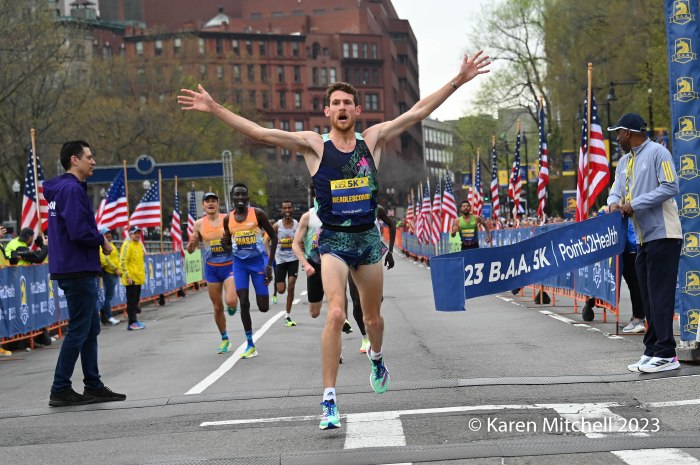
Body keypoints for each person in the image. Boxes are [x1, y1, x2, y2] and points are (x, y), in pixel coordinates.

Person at [178, 50, 490, 430]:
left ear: (357, 110)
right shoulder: (315, 145)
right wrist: (214, 108)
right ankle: (329, 399)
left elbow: (417, 112)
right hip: (334, 242)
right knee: (337, 313)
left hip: (367, 241)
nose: (342, 108)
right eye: (335, 103)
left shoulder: (372, 139)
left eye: (347, 103)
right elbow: (261, 133)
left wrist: (458, 80)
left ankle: (377, 357)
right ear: (327, 112)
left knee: (372, 319)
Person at [43, 140, 126, 406]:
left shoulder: (64, 189)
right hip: (76, 268)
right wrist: (102, 241)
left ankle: (93, 385)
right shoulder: (70, 189)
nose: (94, 161)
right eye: (89, 157)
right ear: (74, 160)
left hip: (74, 266)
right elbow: (79, 231)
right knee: (79, 329)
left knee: (90, 328)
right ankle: (60, 388)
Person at [607, 113, 682, 373]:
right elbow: (616, 190)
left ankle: (667, 354)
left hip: (664, 234)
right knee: (648, 299)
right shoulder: (624, 161)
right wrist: (613, 204)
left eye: (618, 133)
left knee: (660, 297)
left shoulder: (658, 153)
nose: (617, 138)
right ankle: (652, 350)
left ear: (628, 132)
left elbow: (671, 186)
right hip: (642, 237)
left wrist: (634, 204)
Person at [222, 183, 277, 359]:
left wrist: (269, 265)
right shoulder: (227, 219)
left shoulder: (258, 214)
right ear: (232, 197)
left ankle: (251, 342)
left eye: (243, 194)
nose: (240, 198)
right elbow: (228, 243)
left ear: (247, 197)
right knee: (244, 302)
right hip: (239, 265)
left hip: (257, 263)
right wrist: (226, 245)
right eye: (236, 195)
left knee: (263, 307)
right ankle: (250, 344)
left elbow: (274, 238)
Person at [186, 192, 238, 354]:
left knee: (230, 301)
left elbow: (237, 238)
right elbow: (191, 250)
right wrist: (191, 243)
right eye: (207, 201)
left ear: (218, 203)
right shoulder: (198, 224)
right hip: (212, 269)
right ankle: (225, 339)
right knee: (217, 307)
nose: (210, 203)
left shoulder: (227, 219)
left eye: (213, 201)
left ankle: (232, 305)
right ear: (203, 205)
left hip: (229, 265)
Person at [348, 205, 396, 353]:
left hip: (373, 257)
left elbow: (391, 225)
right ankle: (365, 338)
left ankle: (373, 332)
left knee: (376, 301)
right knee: (356, 302)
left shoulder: (376, 208)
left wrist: (390, 252)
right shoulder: (345, 207)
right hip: (352, 257)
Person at [273, 200, 300, 327]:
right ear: (281, 210)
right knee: (281, 290)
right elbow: (267, 240)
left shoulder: (297, 225)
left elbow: (302, 239)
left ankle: (287, 315)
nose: (287, 210)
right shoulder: (277, 226)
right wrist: (270, 255)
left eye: (289, 207)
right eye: (285, 208)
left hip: (293, 259)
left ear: (293, 209)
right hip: (280, 260)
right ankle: (277, 286)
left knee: (291, 285)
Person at [120, 225, 146, 331]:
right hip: (131, 279)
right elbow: (123, 262)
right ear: (130, 234)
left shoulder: (139, 245)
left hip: (138, 278)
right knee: (131, 301)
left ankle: (134, 320)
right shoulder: (127, 245)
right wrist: (127, 276)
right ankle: (131, 322)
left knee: (135, 301)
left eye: (139, 233)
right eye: (135, 233)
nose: (138, 235)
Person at [98, 227, 121, 326]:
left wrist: (118, 268)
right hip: (109, 273)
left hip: (114, 273)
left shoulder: (112, 245)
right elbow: (105, 260)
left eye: (109, 233)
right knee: (108, 296)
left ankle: (105, 315)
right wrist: (115, 269)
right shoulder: (101, 246)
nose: (108, 235)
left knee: (109, 296)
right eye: (106, 234)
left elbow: (117, 258)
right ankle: (108, 316)